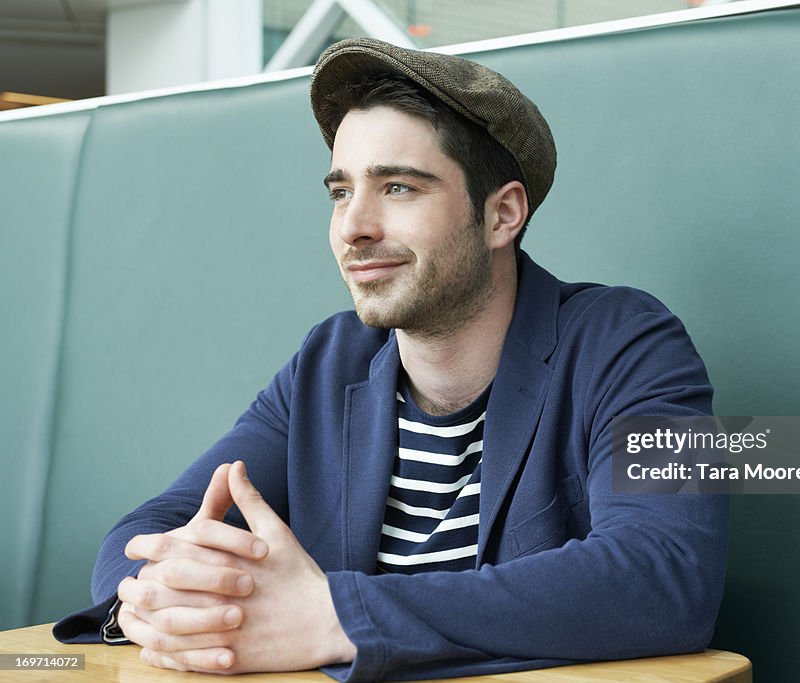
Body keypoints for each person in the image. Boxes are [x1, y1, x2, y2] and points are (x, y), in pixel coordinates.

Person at [54, 38, 728, 682]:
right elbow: (152, 528)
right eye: (341, 190)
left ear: (503, 215)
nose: (353, 226)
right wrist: (154, 596)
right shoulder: (330, 360)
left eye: (398, 187)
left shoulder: (632, 344)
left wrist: (336, 617)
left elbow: (664, 572)